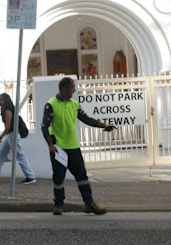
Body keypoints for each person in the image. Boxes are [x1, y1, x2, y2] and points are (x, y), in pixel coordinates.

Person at [41, 77, 116, 215]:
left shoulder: (74, 104)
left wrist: (104, 125)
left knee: (82, 176)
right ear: (64, 89)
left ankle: (89, 203)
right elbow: (44, 126)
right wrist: (50, 145)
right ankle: (58, 205)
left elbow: (86, 119)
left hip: (73, 147)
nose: (74, 90)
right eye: (72, 87)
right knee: (59, 178)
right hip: (59, 149)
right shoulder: (51, 104)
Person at [0, 93, 36, 184]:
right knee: (1, 154)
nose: (0, 102)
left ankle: (30, 176)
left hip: (13, 135)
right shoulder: (7, 109)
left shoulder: (8, 110)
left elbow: (8, 126)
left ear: (6, 100)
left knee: (20, 155)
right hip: (10, 136)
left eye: (2, 100)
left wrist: (0, 137)